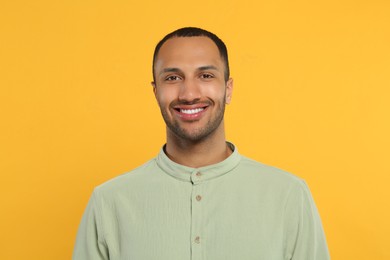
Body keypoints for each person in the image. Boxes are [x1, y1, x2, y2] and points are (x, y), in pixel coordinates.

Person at [73, 27, 330, 260]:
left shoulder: (288, 195)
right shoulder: (109, 202)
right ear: (155, 92)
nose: (189, 94)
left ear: (228, 89)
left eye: (205, 75)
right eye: (173, 78)